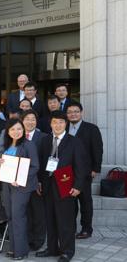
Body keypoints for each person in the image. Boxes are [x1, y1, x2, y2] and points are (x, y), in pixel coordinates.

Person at [36, 111, 88, 262]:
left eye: (60, 122)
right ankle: (52, 248)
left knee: (65, 220)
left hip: (66, 186)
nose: (57, 125)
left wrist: (78, 186)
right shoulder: (45, 141)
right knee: (50, 219)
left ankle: (67, 251)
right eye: (54, 122)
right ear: (50, 124)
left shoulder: (74, 141)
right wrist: (39, 181)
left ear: (65, 124)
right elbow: (41, 164)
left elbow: (81, 166)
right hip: (47, 186)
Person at [0, 119, 39, 260]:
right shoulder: (7, 145)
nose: (16, 132)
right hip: (7, 185)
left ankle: (21, 251)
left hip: (21, 186)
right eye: (13, 129)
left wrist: (20, 178)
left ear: (23, 130)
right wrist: (0, 162)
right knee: (10, 216)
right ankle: (13, 248)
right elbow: (5, 164)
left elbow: (35, 166)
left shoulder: (29, 145)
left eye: (19, 129)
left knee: (18, 217)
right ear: (8, 132)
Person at [67, 102, 103, 239]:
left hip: (85, 172)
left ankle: (87, 229)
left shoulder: (91, 129)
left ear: (81, 112)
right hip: (67, 172)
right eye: (70, 112)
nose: (73, 114)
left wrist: (95, 168)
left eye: (76, 111)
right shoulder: (64, 127)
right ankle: (71, 228)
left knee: (85, 201)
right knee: (70, 201)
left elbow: (98, 149)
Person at [21, 110, 48, 251]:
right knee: (26, 212)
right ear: (22, 121)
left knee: (37, 212)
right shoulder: (17, 136)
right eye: (27, 119)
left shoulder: (43, 137)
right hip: (20, 182)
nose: (30, 122)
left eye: (33, 119)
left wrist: (40, 181)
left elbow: (44, 162)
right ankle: (28, 238)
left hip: (36, 181)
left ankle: (38, 240)